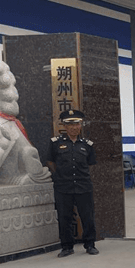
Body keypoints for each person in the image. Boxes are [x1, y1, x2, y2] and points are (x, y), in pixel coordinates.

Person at [47, 110, 98, 257]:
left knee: (87, 217)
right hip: (63, 187)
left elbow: (91, 164)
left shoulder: (87, 145)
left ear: (80, 125)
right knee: (64, 217)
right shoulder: (55, 143)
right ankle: (67, 247)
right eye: (70, 125)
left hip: (83, 186)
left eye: (77, 124)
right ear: (64, 126)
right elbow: (50, 162)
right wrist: (60, 175)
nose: (74, 127)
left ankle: (90, 245)